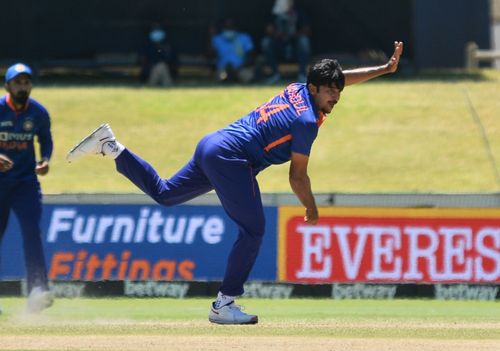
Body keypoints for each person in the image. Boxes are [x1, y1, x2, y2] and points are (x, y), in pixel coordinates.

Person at [66, 42, 403, 324]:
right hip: (231, 159)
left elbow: (341, 78)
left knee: (165, 194)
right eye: (330, 91)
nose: (337, 97)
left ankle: (112, 147)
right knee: (254, 230)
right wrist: (311, 208)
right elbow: (296, 176)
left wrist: (384, 69)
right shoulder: (305, 122)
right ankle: (224, 304)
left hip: (213, 144)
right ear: (314, 88)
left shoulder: (298, 89)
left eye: (338, 90)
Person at [0, 63, 54, 313]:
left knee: (32, 233)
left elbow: (46, 139)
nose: (23, 86)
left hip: (25, 184)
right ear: (7, 85)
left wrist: (45, 160)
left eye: (26, 82)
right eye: (17, 82)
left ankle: (38, 289)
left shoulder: (38, 113)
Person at [260, 0, 312, 83]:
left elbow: (307, 30)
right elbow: (268, 29)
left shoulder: (298, 11)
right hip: (279, 47)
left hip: (295, 46)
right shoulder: (274, 12)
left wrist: (293, 35)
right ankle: (275, 74)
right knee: (266, 42)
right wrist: (278, 35)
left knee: (304, 41)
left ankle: (302, 75)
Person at [210, 18, 255, 84]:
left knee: (248, 78)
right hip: (223, 69)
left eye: (231, 27)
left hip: (240, 68)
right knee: (221, 78)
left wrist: (240, 67)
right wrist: (211, 36)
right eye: (227, 27)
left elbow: (251, 56)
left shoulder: (244, 37)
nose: (229, 29)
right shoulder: (217, 39)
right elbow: (210, 55)